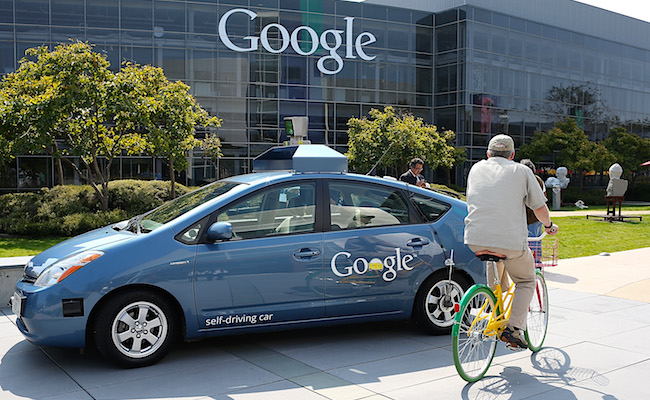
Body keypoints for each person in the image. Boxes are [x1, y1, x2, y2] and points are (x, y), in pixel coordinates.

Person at [464, 134, 558, 351]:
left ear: (487, 154)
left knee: (494, 263)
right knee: (526, 280)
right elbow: (539, 208)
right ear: (512, 155)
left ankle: (493, 306)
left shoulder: (476, 169)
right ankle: (513, 328)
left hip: (475, 239)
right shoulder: (522, 171)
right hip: (510, 242)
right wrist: (548, 226)